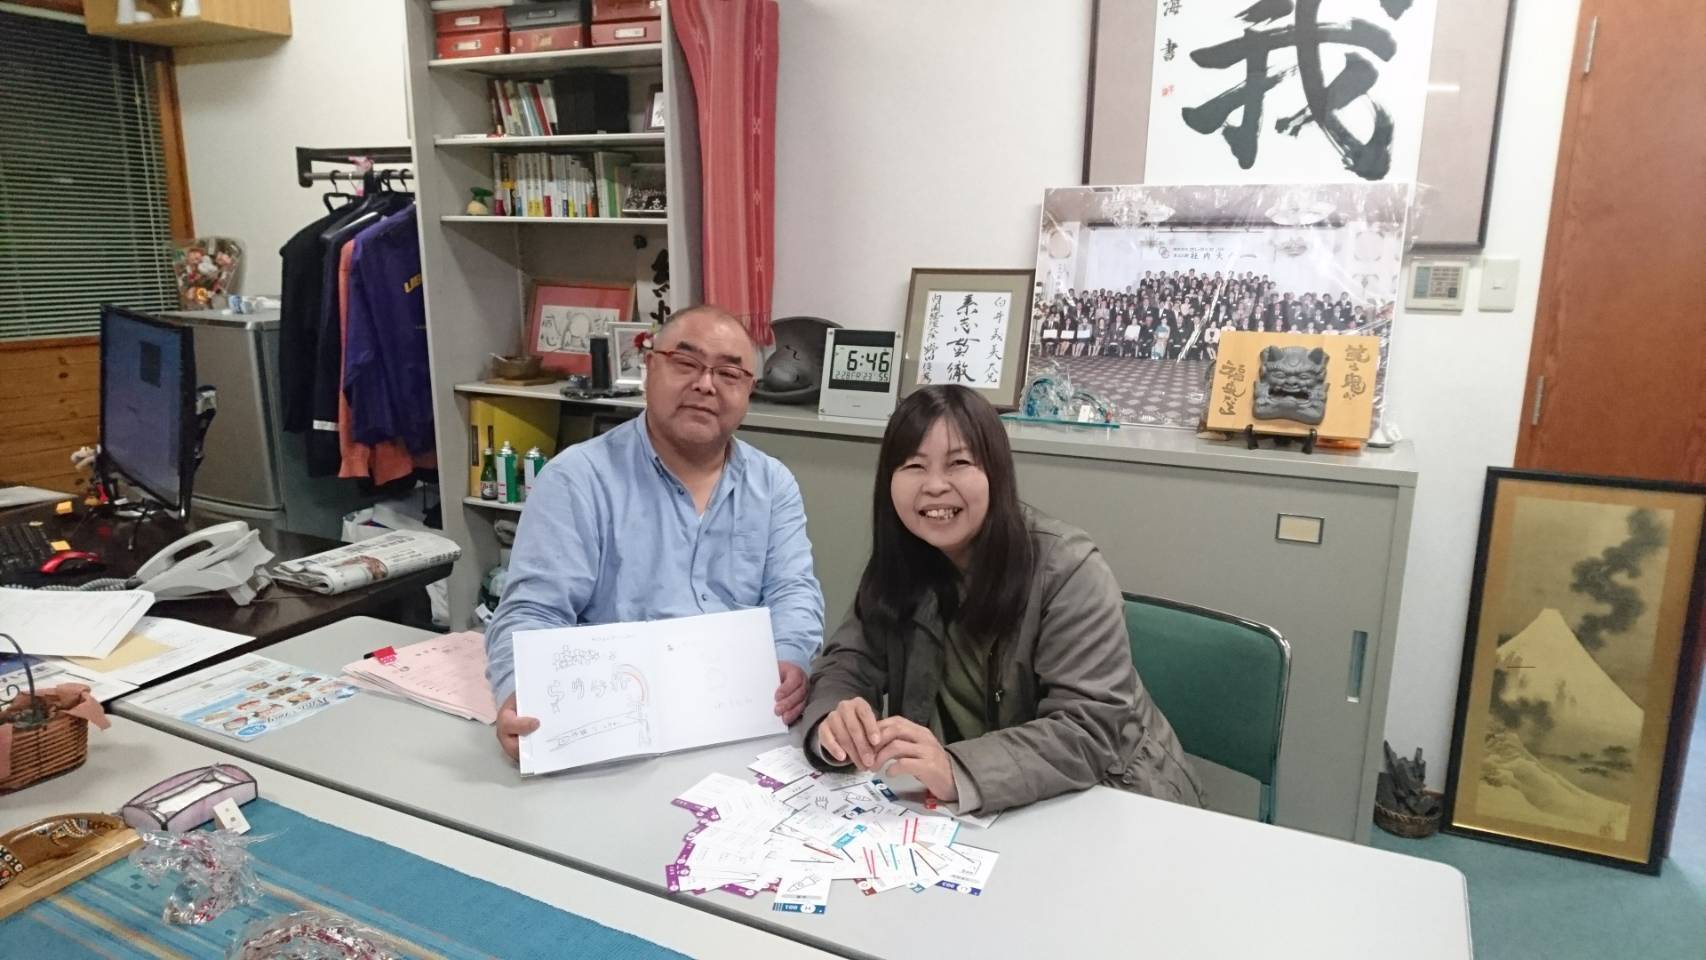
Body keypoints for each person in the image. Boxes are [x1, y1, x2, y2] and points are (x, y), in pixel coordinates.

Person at [799, 386, 1204, 815]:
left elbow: (1087, 728)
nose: (934, 486)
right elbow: (847, 662)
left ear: (996, 472)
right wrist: (835, 720)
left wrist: (955, 769)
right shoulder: (902, 562)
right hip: (980, 810)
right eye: (914, 466)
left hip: (1111, 797)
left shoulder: (1067, 568)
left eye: (958, 463)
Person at [485, 306, 825, 761]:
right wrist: (520, 689)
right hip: (618, 730)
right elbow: (533, 610)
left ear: (749, 390)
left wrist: (791, 656)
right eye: (686, 363)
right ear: (649, 368)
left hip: (742, 721)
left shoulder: (772, 483)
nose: (706, 385)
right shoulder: (577, 479)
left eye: (729, 373)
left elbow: (793, 591)